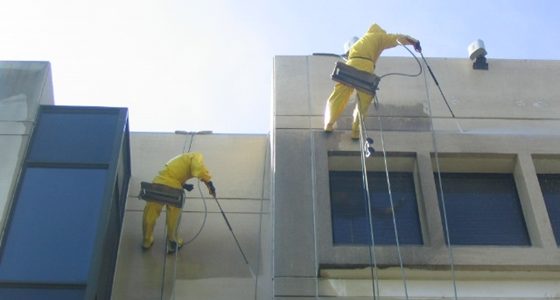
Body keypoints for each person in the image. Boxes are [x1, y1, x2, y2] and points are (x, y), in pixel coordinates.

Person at [324, 23, 422, 139]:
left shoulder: (362, 40)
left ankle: (328, 124)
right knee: (363, 104)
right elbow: (398, 38)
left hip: (351, 65)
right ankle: (356, 132)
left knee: (338, 96)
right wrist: (415, 42)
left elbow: (351, 54)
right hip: (366, 69)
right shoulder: (380, 37)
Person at [142, 152, 216, 253]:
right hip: (173, 189)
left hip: (158, 183)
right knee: (173, 216)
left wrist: (184, 185)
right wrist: (209, 183)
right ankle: (173, 242)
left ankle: (146, 241)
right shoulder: (196, 155)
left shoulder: (179, 159)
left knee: (150, 213)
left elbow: (173, 173)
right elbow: (198, 168)